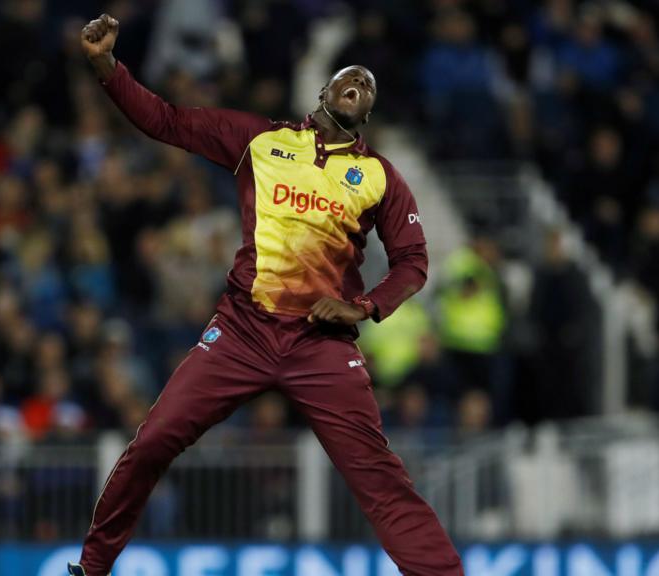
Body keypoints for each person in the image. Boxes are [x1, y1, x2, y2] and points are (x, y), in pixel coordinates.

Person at [68, 14, 462, 576]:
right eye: (350, 77)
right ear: (323, 92)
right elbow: (167, 121)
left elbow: (414, 262)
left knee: (379, 477)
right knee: (153, 440)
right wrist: (107, 66)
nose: (360, 83)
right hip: (242, 330)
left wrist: (364, 305)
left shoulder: (379, 176)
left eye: (368, 86)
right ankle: (91, 568)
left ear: (367, 112)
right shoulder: (263, 141)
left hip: (321, 344)